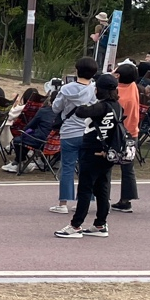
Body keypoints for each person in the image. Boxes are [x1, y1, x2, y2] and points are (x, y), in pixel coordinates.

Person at [56, 74, 124, 238]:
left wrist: (85, 98)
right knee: (102, 188)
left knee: (85, 189)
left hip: (92, 151)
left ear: (99, 89)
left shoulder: (100, 107)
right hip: (107, 152)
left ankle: (76, 225)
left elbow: (81, 111)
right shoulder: (117, 107)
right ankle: (100, 224)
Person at [50, 57, 98, 215]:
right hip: (88, 132)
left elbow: (56, 108)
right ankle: (84, 202)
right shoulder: (94, 89)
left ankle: (63, 203)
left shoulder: (66, 89)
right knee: (86, 169)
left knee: (67, 168)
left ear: (77, 70)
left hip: (69, 132)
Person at [112, 62, 141, 213]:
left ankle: (103, 197)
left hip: (118, 134)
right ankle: (126, 200)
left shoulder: (119, 95)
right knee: (128, 168)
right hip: (132, 132)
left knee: (105, 165)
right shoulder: (133, 86)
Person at [3, 88, 46, 173]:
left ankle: (18, 162)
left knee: (17, 138)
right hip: (33, 131)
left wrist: (14, 105)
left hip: (21, 130)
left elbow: (9, 115)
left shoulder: (24, 107)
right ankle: (20, 161)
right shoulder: (40, 107)